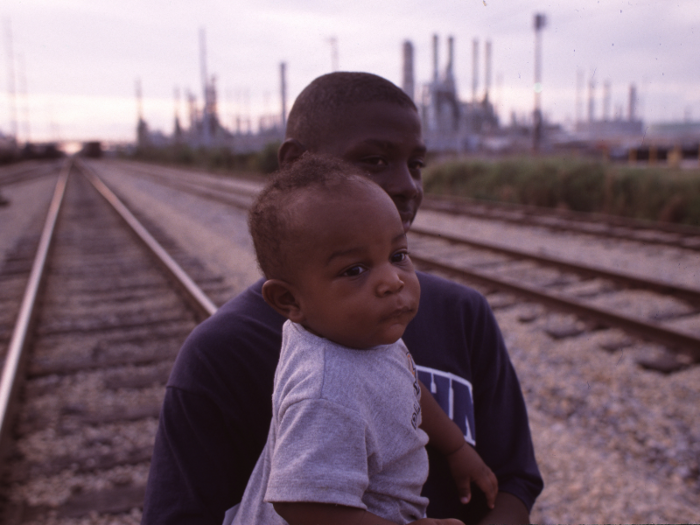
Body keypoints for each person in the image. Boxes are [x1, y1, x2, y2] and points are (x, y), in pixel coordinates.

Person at [141, 72, 543, 525]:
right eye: (373, 161)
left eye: (416, 164)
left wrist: (455, 447)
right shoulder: (227, 355)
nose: (408, 185)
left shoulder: (459, 315)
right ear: (296, 164)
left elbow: (513, 479)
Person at [224, 153, 498, 525]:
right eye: (355, 270)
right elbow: (304, 506)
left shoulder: (360, 333)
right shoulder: (324, 390)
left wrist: (455, 447)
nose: (392, 280)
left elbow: (406, 383)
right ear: (290, 300)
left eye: (398, 255)